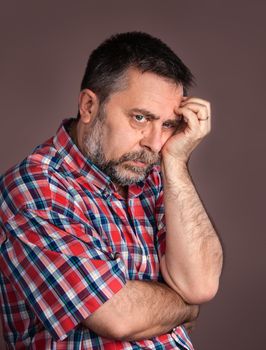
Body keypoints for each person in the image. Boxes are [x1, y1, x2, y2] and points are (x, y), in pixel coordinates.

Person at [0, 32, 223, 349]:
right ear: (89, 105)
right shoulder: (37, 189)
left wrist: (176, 163)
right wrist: (185, 307)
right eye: (140, 118)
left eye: (168, 124)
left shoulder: (152, 175)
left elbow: (200, 284)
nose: (155, 142)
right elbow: (115, 314)